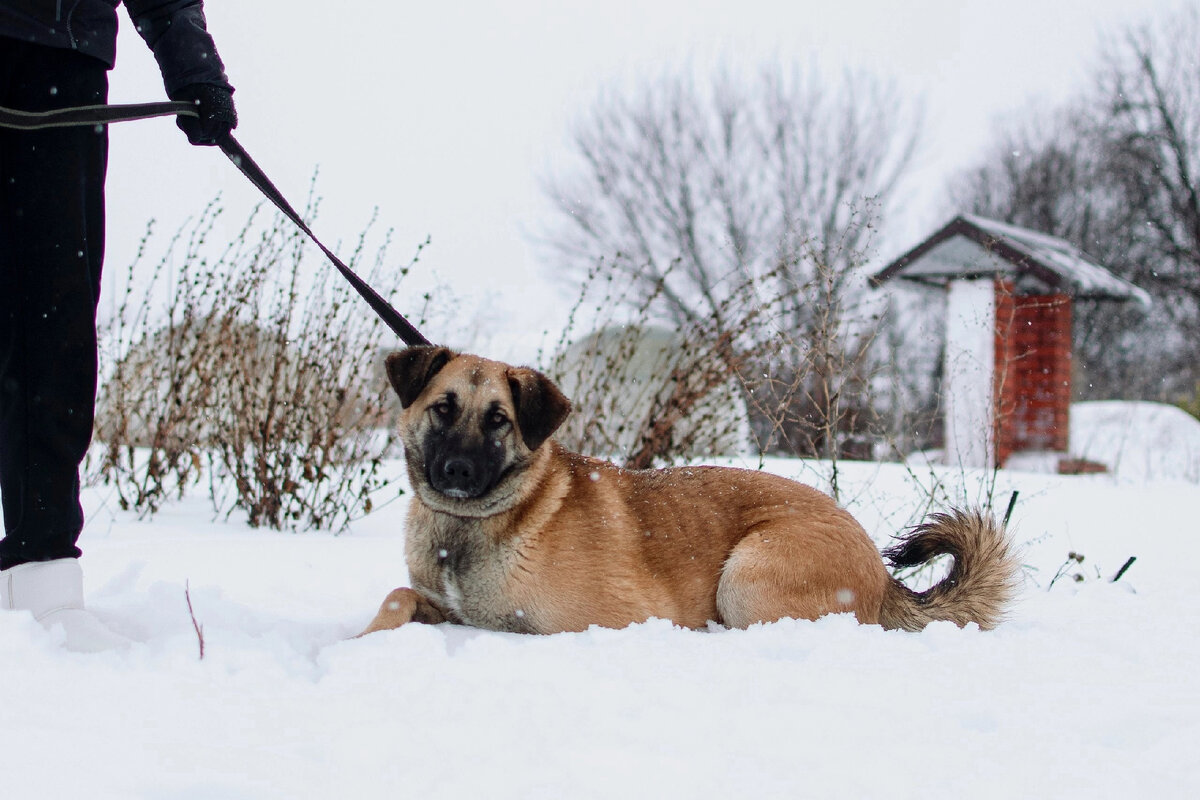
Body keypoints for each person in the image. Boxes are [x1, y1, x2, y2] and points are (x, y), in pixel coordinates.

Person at [0, 1, 237, 651]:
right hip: (56, 55)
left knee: (52, 326)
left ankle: (40, 577)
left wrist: (195, 71)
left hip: (57, 56)